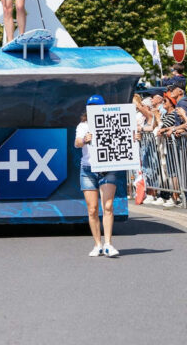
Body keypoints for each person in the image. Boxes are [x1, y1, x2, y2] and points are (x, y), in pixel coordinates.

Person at [75, 94, 119, 258]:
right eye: (91, 107)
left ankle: (108, 243)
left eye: (97, 107)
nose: (93, 109)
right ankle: (97, 244)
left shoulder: (112, 122)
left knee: (107, 206)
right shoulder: (82, 125)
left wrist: (135, 138)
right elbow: (77, 143)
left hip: (108, 168)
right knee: (92, 209)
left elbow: (126, 140)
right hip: (87, 169)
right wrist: (85, 139)